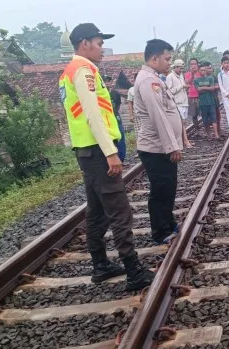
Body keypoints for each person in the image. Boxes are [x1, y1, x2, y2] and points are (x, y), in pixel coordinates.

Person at [58, 23, 154, 291]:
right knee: (119, 210)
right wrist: (111, 152)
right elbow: (93, 114)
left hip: (86, 151)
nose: (102, 49)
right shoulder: (83, 70)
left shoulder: (70, 71)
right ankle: (133, 271)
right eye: (99, 43)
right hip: (98, 152)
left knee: (97, 210)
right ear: (85, 43)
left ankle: (100, 265)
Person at [133, 39, 184, 245]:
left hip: (160, 146)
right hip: (156, 148)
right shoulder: (148, 81)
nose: (168, 63)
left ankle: (168, 222)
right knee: (161, 189)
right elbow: (158, 115)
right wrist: (171, 146)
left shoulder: (154, 78)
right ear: (154, 59)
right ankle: (160, 231)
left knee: (168, 187)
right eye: (166, 59)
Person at [194, 61, 220, 139]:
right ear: (199, 71)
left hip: (211, 101)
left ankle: (216, 134)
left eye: (204, 70)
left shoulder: (210, 78)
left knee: (214, 118)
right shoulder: (196, 80)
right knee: (205, 120)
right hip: (202, 103)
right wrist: (207, 87)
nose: (203, 72)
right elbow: (198, 90)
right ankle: (209, 134)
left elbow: (212, 88)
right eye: (201, 70)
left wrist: (203, 88)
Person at [107, 77, 127, 163]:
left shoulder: (115, 93)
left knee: (121, 138)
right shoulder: (99, 94)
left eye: (109, 81)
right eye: (105, 81)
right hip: (107, 121)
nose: (107, 83)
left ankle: (122, 159)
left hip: (116, 118)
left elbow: (118, 104)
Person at [165, 59, 190, 125]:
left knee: (184, 122)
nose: (181, 70)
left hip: (184, 102)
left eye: (182, 68)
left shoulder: (181, 76)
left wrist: (185, 88)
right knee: (180, 122)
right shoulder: (170, 77)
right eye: (180, 68)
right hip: (177, 104)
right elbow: (169, 91)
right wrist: (181, 86)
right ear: (175, 67)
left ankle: (184, 135)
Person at [184, 58, 202, 127]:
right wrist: (192, 74)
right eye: (191, 64)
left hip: (200, 96)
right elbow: (187, 82)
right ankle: (197, 129)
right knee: (194, 115)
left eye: (195, 64)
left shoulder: (201, 73)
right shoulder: (187, 74)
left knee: (203, 113)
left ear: (198, 65)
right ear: (189, 65)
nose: (193, 66)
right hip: (191, 97)